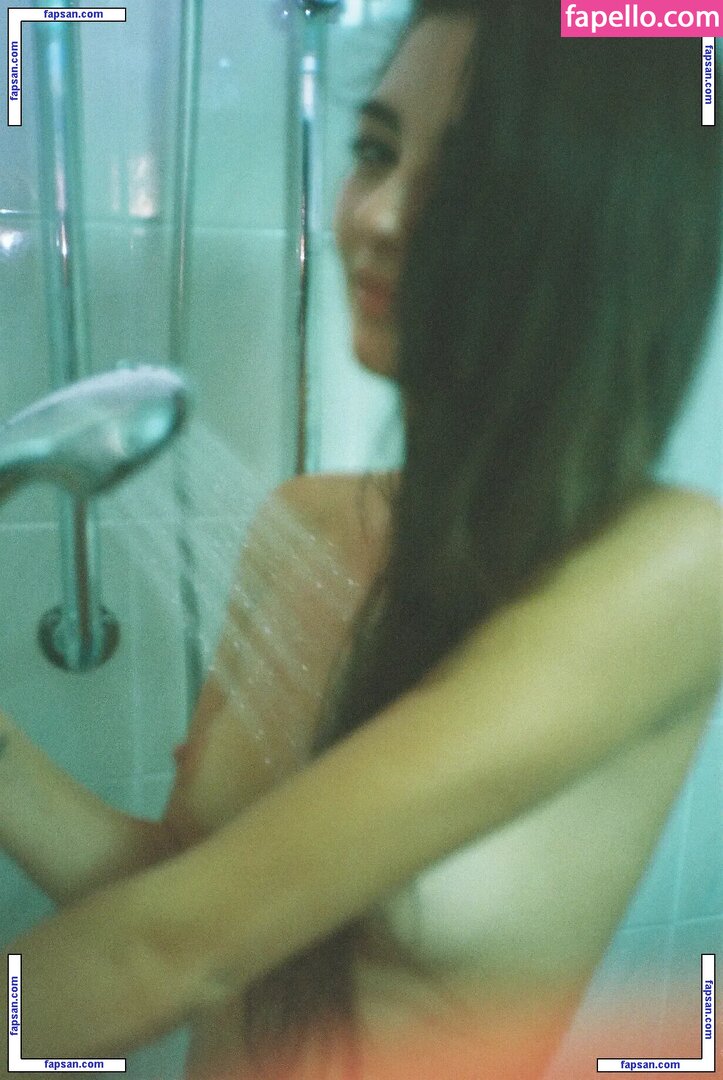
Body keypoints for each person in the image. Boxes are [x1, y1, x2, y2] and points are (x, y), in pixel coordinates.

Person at [1, 3, 721, 1078]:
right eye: (376, 152)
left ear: (600, 225)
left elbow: (168, 954)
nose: (377, 215)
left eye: (464, 182)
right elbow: (183, 903)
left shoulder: (671, 566)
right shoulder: (303, 521)